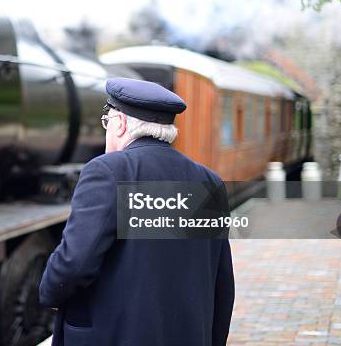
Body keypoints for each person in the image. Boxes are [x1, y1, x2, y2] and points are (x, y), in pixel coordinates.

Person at [39, 77, 235, 346]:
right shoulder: (209, 182)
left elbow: (74, 262)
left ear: (119, 124)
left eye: (106, 123)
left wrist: (50, 293)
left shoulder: (107, 172)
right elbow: (222, 283)